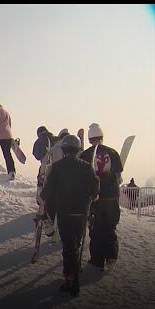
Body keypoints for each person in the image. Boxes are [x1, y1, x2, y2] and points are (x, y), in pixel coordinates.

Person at [39, 134, 99, 297]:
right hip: (82, 212)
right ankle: (74, 269)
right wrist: (93, 196)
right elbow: (95, 186)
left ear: (64, 149)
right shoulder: (86, 166)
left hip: (65, 212)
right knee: (76, 243)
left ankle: (71, 280)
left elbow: (49, 187)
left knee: (69, 247)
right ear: (77, 149)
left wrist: (41, 198)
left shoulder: (58, 167)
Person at [79, 123, 123, 270]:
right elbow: (118, 174)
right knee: (110, 228)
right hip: (111, 198)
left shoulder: (85, 155)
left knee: (96, 228)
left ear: (90, 138)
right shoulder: (113, 153)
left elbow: (83, 178)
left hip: (95, 198)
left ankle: (97, 259)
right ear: (102, 137)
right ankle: (111, 256)